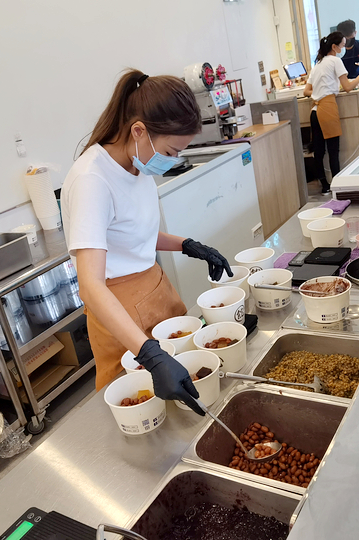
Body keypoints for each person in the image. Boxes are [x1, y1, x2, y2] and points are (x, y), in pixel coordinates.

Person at [61, 69, 235, 414]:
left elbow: (134, 234)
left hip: (156, 290)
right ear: (138, 130)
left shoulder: (137, 165)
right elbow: (91, 284)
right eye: (171, 151)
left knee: (186, 388)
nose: (171, 161)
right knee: (142, 403)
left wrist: (189, 245)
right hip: (118, 308)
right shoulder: (92, 180)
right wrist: (149, 354)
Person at [305, 33, 359, 193]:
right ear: (334, 47)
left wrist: (322, 89)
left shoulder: (317, 65)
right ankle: (337, 185)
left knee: (319, 151)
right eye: (342, 46)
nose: (343, 48)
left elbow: (306, 91)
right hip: (327, 108)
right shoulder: (335, 61)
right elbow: (348, 87)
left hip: (315, 111)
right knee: (334, 150)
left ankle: (325, 186)